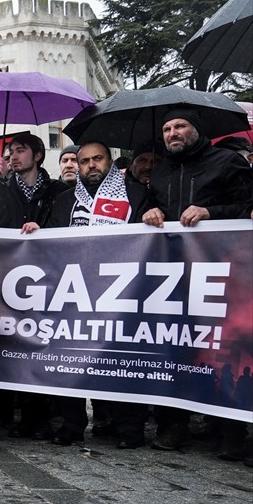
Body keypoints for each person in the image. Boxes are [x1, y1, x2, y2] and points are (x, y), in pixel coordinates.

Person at [141, 108, 253, 451]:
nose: (172, 133)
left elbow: (247, 207)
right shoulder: (159, 173)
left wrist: (209, 213)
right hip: (174, 277)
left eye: (180, 126)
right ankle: (173, 426)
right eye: (167, 129)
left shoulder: (227, 163)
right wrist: (151, 212)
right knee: (172, 348)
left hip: (223, 274)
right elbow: (147, 208)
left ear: (195, 130)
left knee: (222, 349)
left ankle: (230, 432)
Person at [39, 141, 152, 448]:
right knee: (70, 361)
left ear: (110, 161)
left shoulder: (137, 196)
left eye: (97, 159)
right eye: (84, 160)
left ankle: (129, 427)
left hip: (121, 294)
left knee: (123, 362)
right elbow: (50, 239)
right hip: (74, 293)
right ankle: (71, 425)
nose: (90, 165)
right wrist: (35, 232)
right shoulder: (64, 201)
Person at [0, 132, 67, 438]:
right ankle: (17, 413)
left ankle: (42, 417)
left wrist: (43, 230)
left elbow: (63, 224)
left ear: (38, 155)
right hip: (13, 276)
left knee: (43, 345)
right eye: (10, 151)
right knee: (15, 343)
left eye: (20, 151)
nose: (13, 156)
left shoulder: (57, 189)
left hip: (49, 276)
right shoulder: (4, 188)